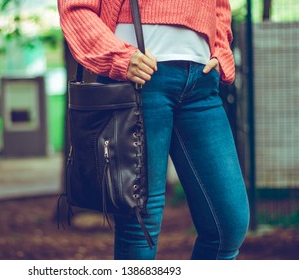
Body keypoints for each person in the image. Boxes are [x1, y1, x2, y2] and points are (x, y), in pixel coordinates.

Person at [58, 0, 250, 260]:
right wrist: (119, 57)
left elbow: (220, 7)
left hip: (202, 81)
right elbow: (75, 8)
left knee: (229, 225)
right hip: (139, 78)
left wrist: (221, 49)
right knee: (140, 225)